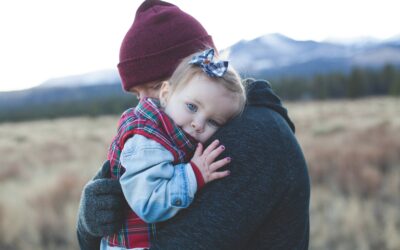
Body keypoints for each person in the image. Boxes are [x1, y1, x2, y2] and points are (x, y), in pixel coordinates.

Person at [77, 0, 310, 249]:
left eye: (156, 87)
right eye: (137, 95)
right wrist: (88, 223)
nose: (145, 106)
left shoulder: (253, 137)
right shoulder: (174, 133)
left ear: (200, 70)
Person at [102, 48, 246, 249]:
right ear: (166, 94)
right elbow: (149, 203)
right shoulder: (147, 140)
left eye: (213, 121)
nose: (198, 124)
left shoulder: (174, 134)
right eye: (192, 107)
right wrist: (194, 174)